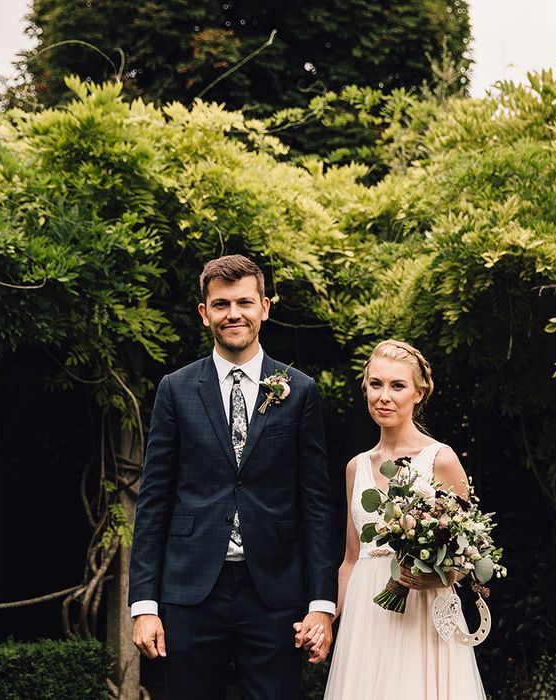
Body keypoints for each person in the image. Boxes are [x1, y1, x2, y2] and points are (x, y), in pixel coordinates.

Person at [128, 254, 337, 700]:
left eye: (244, 302)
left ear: (264, 306)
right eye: (221, 305)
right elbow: (154, 501)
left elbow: (316, 503)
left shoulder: (299, 390)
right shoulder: (176, 389)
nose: (234, 314)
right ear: (205, 314)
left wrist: (322, 605)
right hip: (189, 592)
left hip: (274, 593)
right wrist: (144, 606)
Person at [321, 339, 487, 699]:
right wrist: (326, 619)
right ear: (365, 388)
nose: (385, 396)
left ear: (419, 393)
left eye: (397, 386)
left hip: (421, 615)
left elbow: (469, 553)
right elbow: (351, 559)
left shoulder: (440, 459)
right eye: (376, 384)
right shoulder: (356, 468)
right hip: (366, 621)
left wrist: (436, 576)